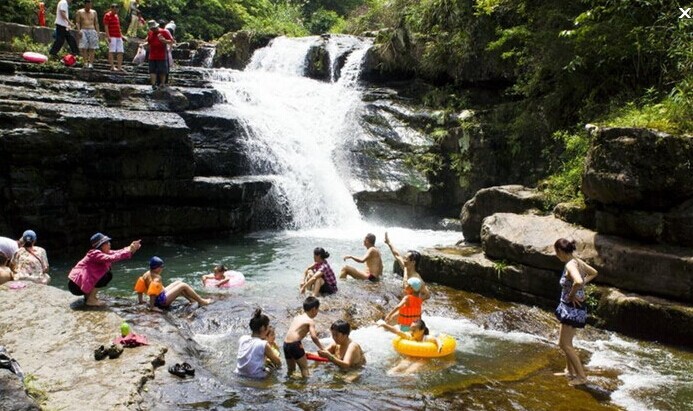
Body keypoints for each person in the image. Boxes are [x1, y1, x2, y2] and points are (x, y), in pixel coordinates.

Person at [553, 238, 598, 386]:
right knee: (565, 343)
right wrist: (581, 285)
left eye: (556, 252)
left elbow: (578, 281)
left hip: (572, 309)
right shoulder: (577, 261)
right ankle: (569, 371)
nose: (556, 255)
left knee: (565, 345)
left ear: (560, 251)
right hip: (571, 308)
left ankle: (581, 377)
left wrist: (573, 293)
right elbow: (593, 272)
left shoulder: (570, 265)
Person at [68, 233, 141, 306]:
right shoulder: (94, 253)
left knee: (104, 273)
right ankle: (91, 300)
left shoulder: (103, 253)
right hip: (75, 286)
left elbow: (118, 252)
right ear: (101, 245)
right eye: (107, 243)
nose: (109, 244)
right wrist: (129, 250)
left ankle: (88, 297)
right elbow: (112, 258)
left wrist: (131, 248)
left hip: (78, 285)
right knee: (105, 275)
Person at [134, 257, 212, 309]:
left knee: (178, 282)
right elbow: (152, 293)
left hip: (160, 296)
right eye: (161, 267)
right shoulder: (157, 278)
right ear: (157, 268)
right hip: (161, 301)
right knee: (183, 285)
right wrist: (152, 307)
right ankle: (201, 301)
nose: (162, 269)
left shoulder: (146, 274)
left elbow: (139, 289)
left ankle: (192, 300)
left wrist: (140, 301)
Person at [377, 318, 442, 375]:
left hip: (424, 357)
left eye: (414, 330)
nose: (411, 332)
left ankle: (405, 377)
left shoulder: (427, 338)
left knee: (412, 369)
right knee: (401, 366)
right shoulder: (410, 336)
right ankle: (388, 375)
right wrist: (384, 325)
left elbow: (437, 340)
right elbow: (397, 331)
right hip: (412, 356)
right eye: (410, 329)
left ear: (422, 331)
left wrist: (439, 346)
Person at [283, 296, 325, 378]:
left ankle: (290, 387)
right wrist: (322, 348)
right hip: (295, 344)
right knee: (304, 369)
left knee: (291, 370)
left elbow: (294, 332)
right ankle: (306, 389)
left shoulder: (297, 317)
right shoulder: (310, 321)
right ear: (313, 309)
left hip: (286, 344)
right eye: (317, 310)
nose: (317, 312)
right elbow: (314, 337)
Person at [235, 308, 282, 379]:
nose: (269, 328)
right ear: (263, 328)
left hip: (239, 374)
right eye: (268, 326)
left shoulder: (243, 338)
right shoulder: (263, 344)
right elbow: (277, 362)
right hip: (256, 377)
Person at [384, 232, 431, 301]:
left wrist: (415, 302)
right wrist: (389, 243)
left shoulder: (416, 278)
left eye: (406, 258)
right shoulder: (406, 268)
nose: (403, 259)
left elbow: (427, 295)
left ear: (413, 262)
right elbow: (397, 255)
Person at [146, 19, 173, 90]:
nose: (154, 30)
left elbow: (171, 41)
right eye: (152, 29)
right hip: (152, 55)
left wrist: (164, 41)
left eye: (155, 28)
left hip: (162, 55)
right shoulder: (150, 33)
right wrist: (143, 45)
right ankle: (153, 84)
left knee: (162, 71)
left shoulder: (164, 32)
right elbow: (149, 42)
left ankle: (162, 83)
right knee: (152, 70)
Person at [75, 0, 99, 69]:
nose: (89, 6)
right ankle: (85, 63)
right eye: (88, 5)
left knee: (92, 48)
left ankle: (91, 63)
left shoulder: (94, 12)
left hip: (92, 30)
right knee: (84, 48)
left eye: (90, 5)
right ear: (85, 5)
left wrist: (97, 32)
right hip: (84, 30)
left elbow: (96, 22)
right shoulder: (79, 12)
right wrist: (79, 30)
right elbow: (78, 22)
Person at [103, 3, 125, 72]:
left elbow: (118, 27)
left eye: (117, 10)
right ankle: (112, 66)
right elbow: (106, 26)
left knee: (120, 51)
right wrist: (108, 36)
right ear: (111, 9)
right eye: (115, 9)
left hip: (118, 36)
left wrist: (122, 36)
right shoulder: (107, 15)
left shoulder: (116, 16)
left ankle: (119, 67)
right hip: (112, 36)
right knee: (111, 51)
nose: (116, 11)